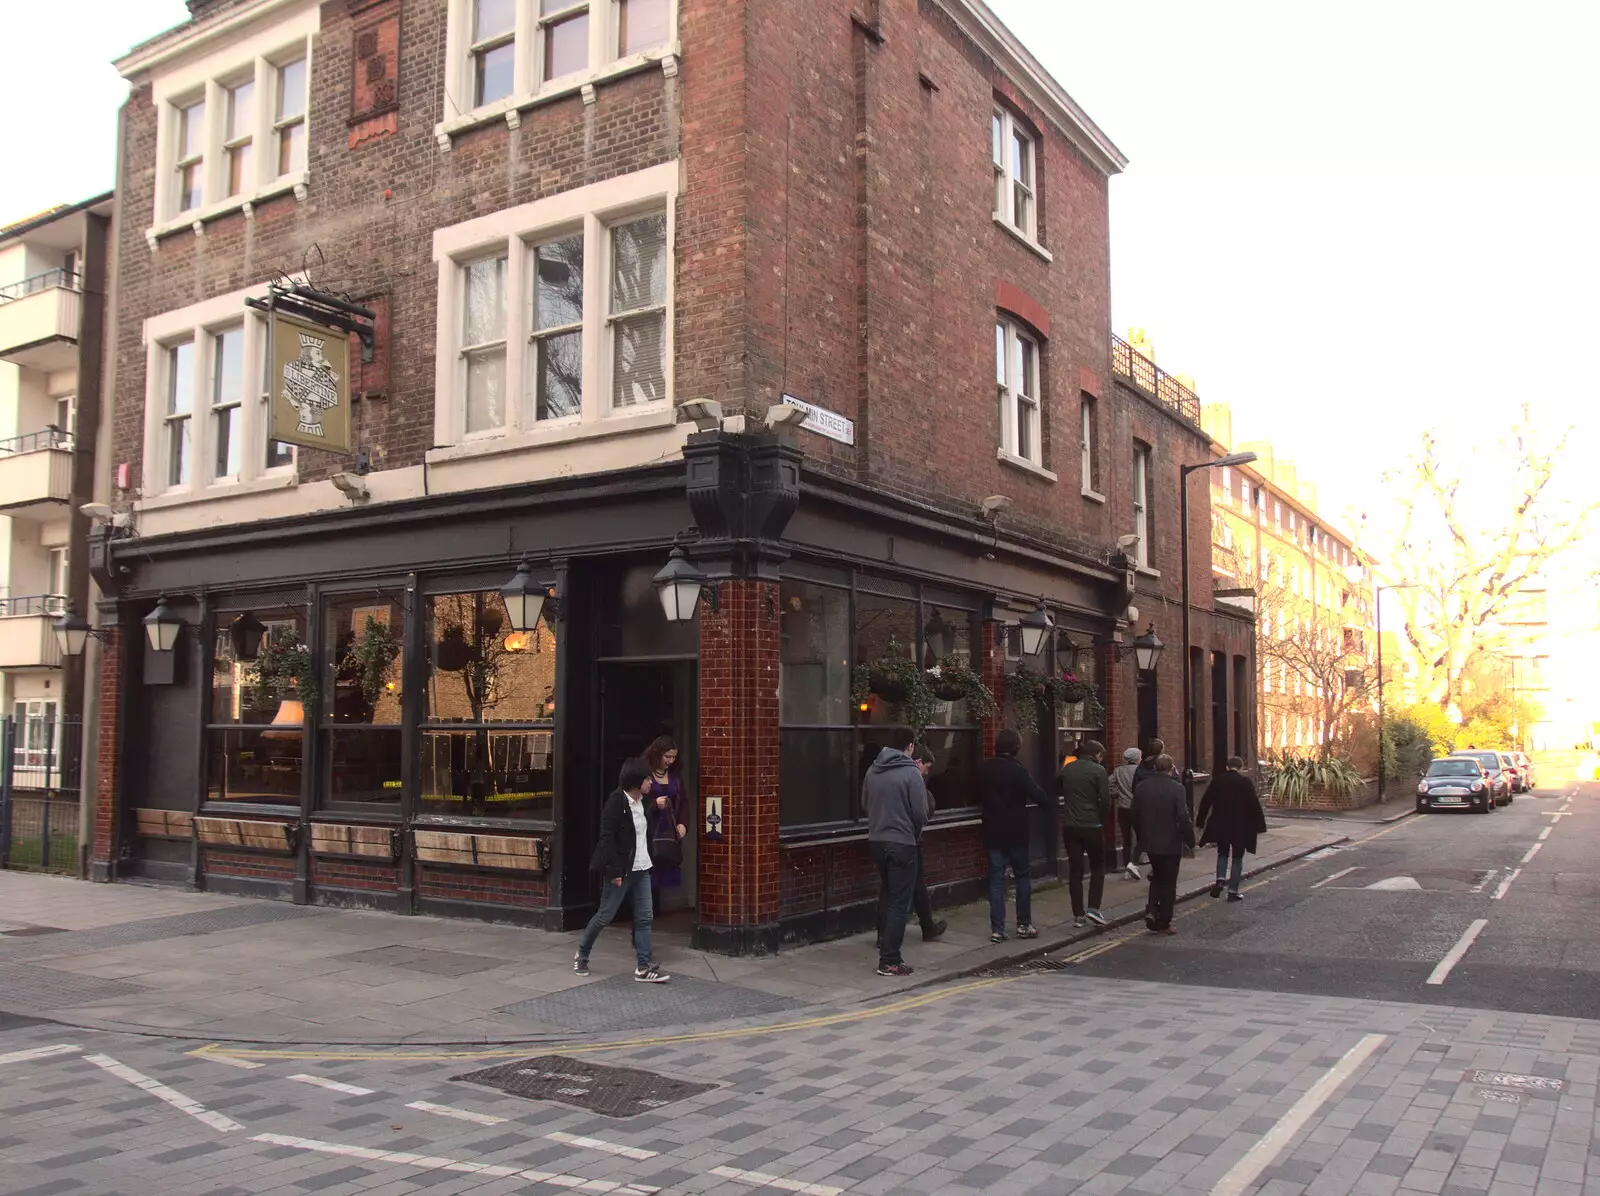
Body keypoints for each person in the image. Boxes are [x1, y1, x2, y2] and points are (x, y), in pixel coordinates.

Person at [574, 757, 670, 982]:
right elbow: (607, 839)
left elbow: (642, 835)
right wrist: (615, 871)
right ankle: (582, 954)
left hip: (642, 868)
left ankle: (643, 967)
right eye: (647, 779)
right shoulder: (616, 802)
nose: (651, 783)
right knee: (605, 915)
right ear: (636, 781)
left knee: (645, 917)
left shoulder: (644, 802)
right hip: (621, 871)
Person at [863, 733, 929, 977]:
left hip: (877, 841)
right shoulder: (911, 773)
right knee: (900, 902)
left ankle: (885, 946)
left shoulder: (872, 771)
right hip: (902, 842)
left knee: (889, 893)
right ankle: (890, 960)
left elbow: (864, 803)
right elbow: (921, 813)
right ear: (910, 746)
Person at [977, 729, 1050, 942]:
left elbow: (973, 794)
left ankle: (997, 929)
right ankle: (1024, 925)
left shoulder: (983, 768)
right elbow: (1040, 798)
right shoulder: (1019, 771)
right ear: (1016, 748)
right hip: (1017, 832)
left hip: (992, 831)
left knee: (996, 880)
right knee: (1022, 877)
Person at [1129, 754, 1194, 935]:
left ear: (1155, 768)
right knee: (1169, 883)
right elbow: (1183, 817)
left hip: (1150, 842)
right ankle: (1164, 921)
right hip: (1171, 842)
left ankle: (1151, 910)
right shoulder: (1177, 789)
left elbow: (1133, 814)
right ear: (1171, 768)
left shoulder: (1142, 787)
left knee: (1157, 876)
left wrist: (1141, 835)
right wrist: (1190, 839)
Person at [1198, 755, 1267, 902]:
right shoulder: (1245, 782)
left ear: (1227, 767)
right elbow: (1254, 804)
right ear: (1241, 767)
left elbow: (1206, 801)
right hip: (1240, 826)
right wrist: (1260, 825)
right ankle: (1233, 891)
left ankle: (1220, 879)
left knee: (1222, 853)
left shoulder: (1218, 781)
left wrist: (1200, 821)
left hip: (1221, 824)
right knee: (1237, 858)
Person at [1058, 739, 1111, 928]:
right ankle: (1093, 909)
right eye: (1102, 756)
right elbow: (1105, 800)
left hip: (1070, 826)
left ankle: (1078, 915)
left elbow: (1057, 789)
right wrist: (1100, 819)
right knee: (1098, 866)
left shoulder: (1067, 768)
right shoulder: (1099, 771)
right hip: (1092, 826)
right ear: (1097, 755)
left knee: (1075, 870)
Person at [642, 737, 688, 911]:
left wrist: (683, 824)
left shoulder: (676, 778)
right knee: (648, 871)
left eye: (674, 757)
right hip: (649, 829)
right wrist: (654, 804)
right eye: (667, 756)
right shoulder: (645, 774)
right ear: (658, 754)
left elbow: (683, 803)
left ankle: (655, 910)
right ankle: (646, 911)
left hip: (669, 829)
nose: (670, 760)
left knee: (665, 864)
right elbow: (634, 801)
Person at [909, 745, 949, 943]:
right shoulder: (912, 778)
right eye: (927, 767)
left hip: (882, 838)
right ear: (918, 762)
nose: (927, 772)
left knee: (891, 888)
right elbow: (922, 811)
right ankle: (927, 928)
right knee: (913, 885)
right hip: (907, 839)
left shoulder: (877, 772)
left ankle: (884, 935)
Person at [1112, 747, 1143, 880]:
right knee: (1143, 838)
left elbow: (1109, 784)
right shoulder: (1141, 771)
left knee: (1126, 840)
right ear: (1137, 758)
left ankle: (1126, 868)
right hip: (1138, 809)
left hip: (1123, 808)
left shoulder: (1118, 771)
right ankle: (1133, 863)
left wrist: (1116, 794)